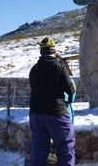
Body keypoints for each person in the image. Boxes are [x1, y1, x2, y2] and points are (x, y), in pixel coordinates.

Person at [28, 37, 76, 166]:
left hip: (36, 113)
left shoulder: (34, 69)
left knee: (38, 147)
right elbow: (70, 90)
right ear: (54, 51)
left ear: (41, 51)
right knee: (65, 146)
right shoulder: (59, 67)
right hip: (56, 112)